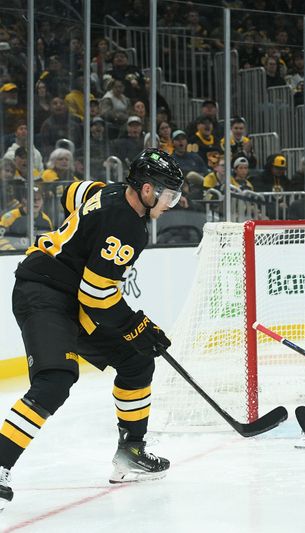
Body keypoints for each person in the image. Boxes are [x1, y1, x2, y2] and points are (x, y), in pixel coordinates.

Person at [0, 148, 183, 509]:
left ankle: (131, 452)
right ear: (147, 190)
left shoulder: (106, 189)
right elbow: (96, 295)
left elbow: (70, 194)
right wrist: (136, 325)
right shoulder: (128, 228)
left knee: (136, 361)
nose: (170, 204)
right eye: (169, 196)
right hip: (44, 291)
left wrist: (79, 236)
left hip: (71, 296)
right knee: (56, 379)